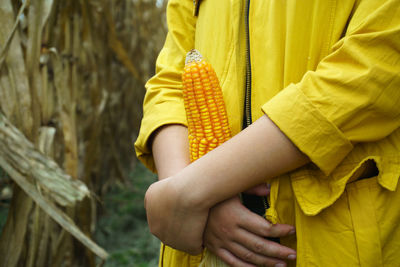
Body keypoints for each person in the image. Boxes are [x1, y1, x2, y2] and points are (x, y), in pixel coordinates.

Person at [135, 0, 400, 266]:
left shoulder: (192, 192)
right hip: (203, 229)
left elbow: (375, 71)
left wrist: (194, 190)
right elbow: (170, 81)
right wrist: (182, 195)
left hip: (329, 236)